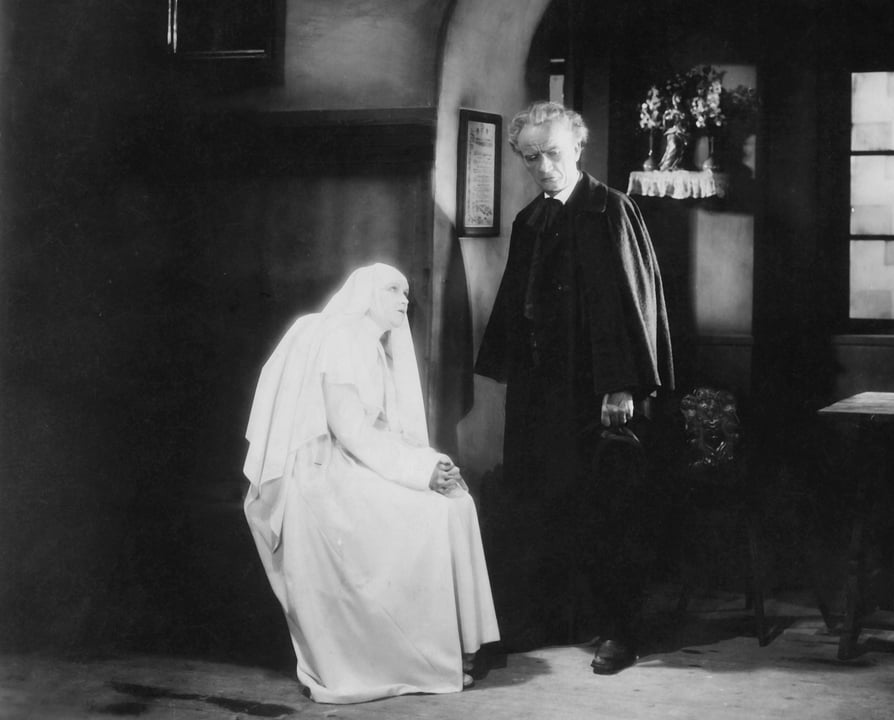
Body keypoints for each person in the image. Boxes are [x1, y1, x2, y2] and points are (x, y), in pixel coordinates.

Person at [475, 101, 675, 675]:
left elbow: (630, 305)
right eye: (531, 157)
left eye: (553, 154)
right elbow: (518, 306)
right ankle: (551, 619)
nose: (543, 167)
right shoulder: (529, 220)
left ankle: (620, 631)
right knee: (543, 504)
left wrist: (621, 387)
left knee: (610, 511)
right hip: (543, 394)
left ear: (578, 148)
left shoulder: (611, 210)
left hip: (599, 395)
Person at [243, 263, 500, 703]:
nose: (404, 300)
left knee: (457, 500)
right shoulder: (342, 339)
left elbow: (381, 430)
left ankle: (460, 649)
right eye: (393, 290)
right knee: (432, 513)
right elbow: (350, 431)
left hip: (353, 461)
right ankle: (424, 658)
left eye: (406, 292)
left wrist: (431, 464)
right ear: (366, 295)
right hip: (322, 475)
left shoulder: (373, 347)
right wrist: (419, 473)